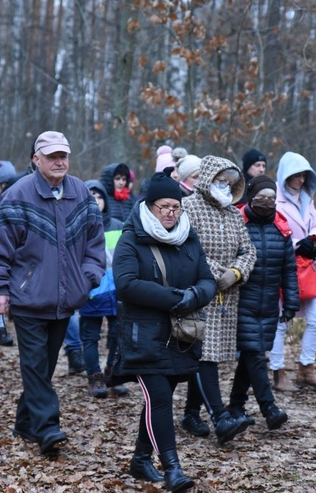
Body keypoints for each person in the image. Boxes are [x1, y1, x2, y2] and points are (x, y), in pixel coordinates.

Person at [0, 130, 105, 454]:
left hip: (65, 300)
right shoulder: (18, 195)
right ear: (37, 160)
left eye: (63, 155)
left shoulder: (80, 192)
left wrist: (87, 277)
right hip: (28, 298)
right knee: (35, 365)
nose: (59, 161)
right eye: (52, 156)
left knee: (43, 367)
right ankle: (47, 427)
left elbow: (95, 242)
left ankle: (24, 422)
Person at [111, 167, 216, 491]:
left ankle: (141, 460)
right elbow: (126, 285)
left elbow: (208, 280)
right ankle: (172, 469)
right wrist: (176, 298)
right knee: (159, 397)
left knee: (162, 395)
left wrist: (195, 295)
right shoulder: (132, 238)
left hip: (179, 336)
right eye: (164, 207)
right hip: (142, 335)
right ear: (150, 206)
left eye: (176, 206)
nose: (171, 213)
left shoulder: (189, 236)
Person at [180, 155, 256, 444]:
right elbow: (189, 247)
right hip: (199, 291)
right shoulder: (189, 207)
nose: (224, 187)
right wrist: (215, 273)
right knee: (204, 354)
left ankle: (191, 413)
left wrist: (236, 273)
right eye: (220, 181)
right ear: (208, 178)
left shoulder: (235, 213)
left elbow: (249, 251)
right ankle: (220, 417)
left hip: (228, 296)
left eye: (229, 183)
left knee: (210, 355)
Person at [228, 175, 298, 429]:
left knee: (252, 355)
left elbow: (288, 270)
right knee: (255, 354)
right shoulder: (237, 222)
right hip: (241, 301)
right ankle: (268, 407)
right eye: (261, 197)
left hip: (268, 304)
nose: (266, 202)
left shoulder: (281, 228)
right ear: (251, 196)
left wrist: (291, 301)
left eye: (271, 198)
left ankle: (235, 405)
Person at [268, 152, 316, 391]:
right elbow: (273, 230)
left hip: (307, 267)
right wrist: (296, 243)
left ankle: (306, 368)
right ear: (286, 175)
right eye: (296, 175)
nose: (301, 180)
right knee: (281, 321)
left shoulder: (307, 199)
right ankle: (278, 371)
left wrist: (313, 239)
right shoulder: (273, 199)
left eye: (304, 175)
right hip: (283, 267)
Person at [79, 180, 125, 398]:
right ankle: (94, 377)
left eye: (99, 196)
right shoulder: (78, 227)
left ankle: (112, 374)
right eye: (91, 196)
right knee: (90, 337)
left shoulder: (118, 225)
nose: (96, 201)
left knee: (118, 335)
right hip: (91, 291)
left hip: (117, 291)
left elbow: (126, 259)